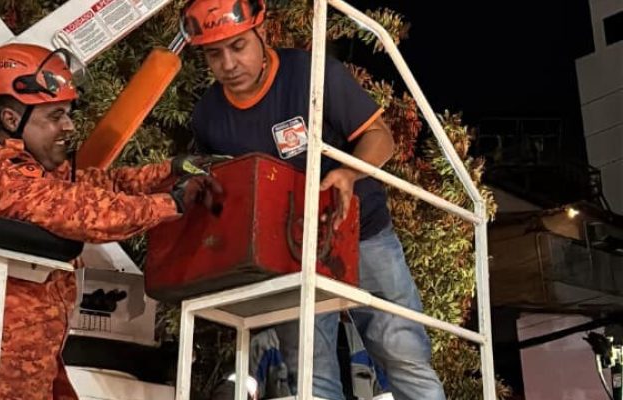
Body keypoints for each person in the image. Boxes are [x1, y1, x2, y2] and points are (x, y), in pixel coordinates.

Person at [0, 43, 222, 399]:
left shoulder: (35, 174)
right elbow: (82, 209)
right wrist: (170, 203)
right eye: (55, 115)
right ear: (11, 119)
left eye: (67, 113)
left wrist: (167, 171)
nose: (69, 125)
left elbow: (101, 184)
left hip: (28, 371)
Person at [181, 1, 446, 399]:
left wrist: (348, 173)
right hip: (287, 253)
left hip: (362, 232)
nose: (228, 63)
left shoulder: (313, 73)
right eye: (214, 54)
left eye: (238, 47)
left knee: (401, 349)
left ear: (262, 33)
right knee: (309, 371)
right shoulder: (208, 117)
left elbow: (381, 137)